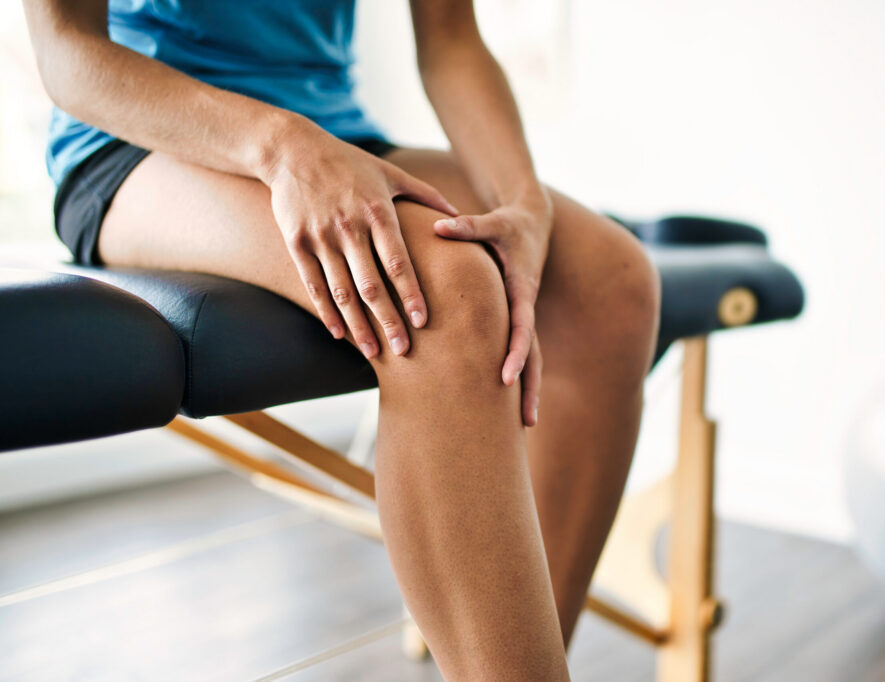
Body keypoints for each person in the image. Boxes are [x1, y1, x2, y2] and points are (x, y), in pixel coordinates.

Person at [23, 1, 660, 678]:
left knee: (614, 283)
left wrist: (523, 203)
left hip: (336, 137)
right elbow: (68, 54)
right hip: (143, 141)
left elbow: (450, 41)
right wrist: (279, 145)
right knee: (446, 295)